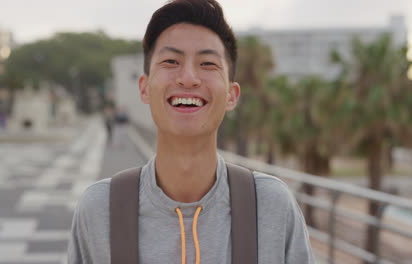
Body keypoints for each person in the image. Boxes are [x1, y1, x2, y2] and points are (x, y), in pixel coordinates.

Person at [68, 0, 314, 263]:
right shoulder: (100, 209)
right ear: (144, 88)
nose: (188, 78)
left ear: (232, 95)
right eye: (171, 61)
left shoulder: (270, 206)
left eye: (207, 64)